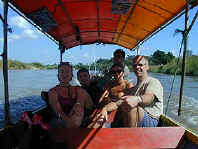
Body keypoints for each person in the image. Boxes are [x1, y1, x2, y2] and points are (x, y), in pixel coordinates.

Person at [120, 55, 163, 127]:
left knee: (132, 106)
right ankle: (125, 130)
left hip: (151, 119)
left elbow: (150, 97)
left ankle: (131, 136)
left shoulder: (153, 82)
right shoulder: (135, 87)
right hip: (137, 118)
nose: (137, 67)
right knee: (123, 104)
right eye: (134, 65)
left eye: (140, 65)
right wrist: (105, 109)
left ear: (147, 67)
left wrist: (137, 99)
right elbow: (118, 102)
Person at [48, 62, 93, 128]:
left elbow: (83, 106)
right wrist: (69, 122)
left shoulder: (79, 89)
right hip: (61, 121)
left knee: (78, 108)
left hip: (78, 118)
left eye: (67, 72)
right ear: (58, 76)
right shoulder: (53, 92)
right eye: (62, 71)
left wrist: (78, 105)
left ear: (71, 75)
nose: (64, 74)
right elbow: (58, 112)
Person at [90, 63, 134, 128]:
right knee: (95, 123)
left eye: (119, 71)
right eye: (113, 72)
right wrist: (103, 101)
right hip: (108, 110)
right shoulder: (110, 85)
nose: (116, 73)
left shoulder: (128, 85)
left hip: (121, 112)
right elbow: (102, 98)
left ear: (123, 73)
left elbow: (130, 102)